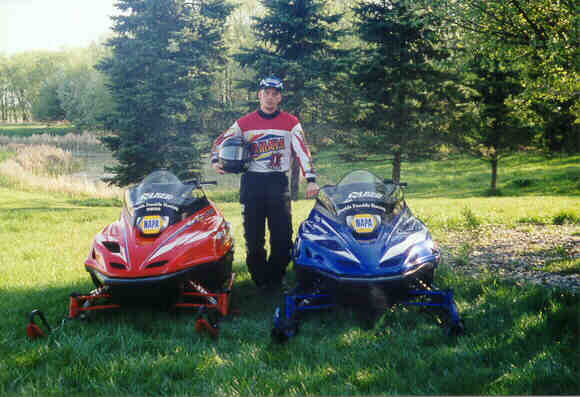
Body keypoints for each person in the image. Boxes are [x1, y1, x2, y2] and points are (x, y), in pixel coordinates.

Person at [210, 76, 319, 291]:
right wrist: (216, 160)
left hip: (278, 183)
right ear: (259, 95)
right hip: (252, 182)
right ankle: (260, 280)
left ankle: (276, 278)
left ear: (280, 97)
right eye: (265, 93)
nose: (269, 98)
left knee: (282, 236)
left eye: (274, 94)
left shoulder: (291, 122)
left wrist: (311, 180)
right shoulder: (244, 122)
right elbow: (220, 141)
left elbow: (302, 151)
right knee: (253, 236)